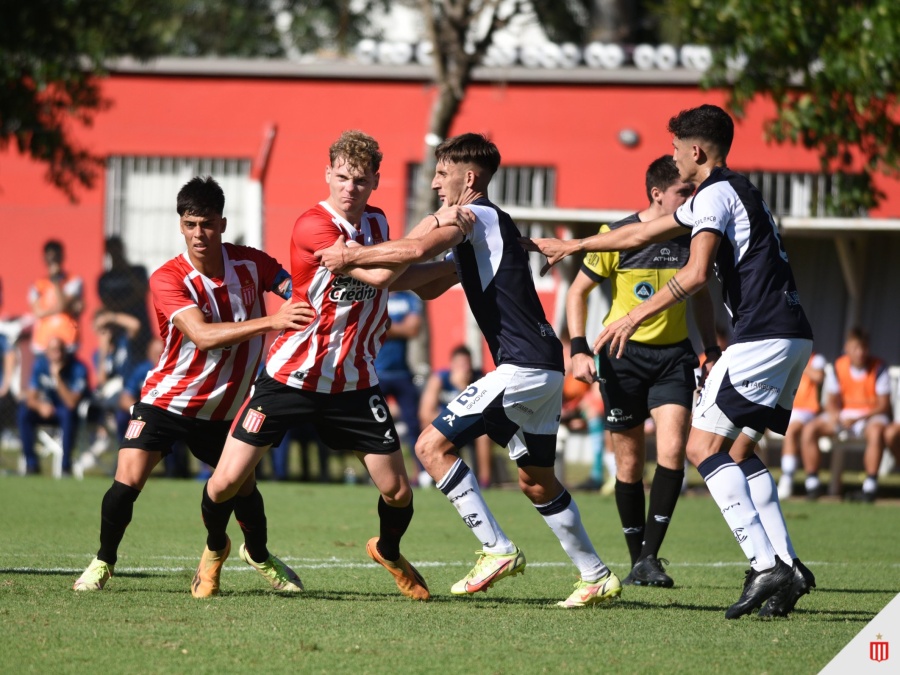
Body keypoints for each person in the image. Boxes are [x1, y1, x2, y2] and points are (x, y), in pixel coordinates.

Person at [525, 104, 816, 619]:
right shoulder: (736, 189)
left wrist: (634, 316)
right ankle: (788, 566)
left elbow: (699, 273)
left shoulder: (714, 194)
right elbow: (640, 233)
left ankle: (763, 563)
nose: (675, 156)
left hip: (761, 337)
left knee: (702, 449)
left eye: (679, 147)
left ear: (696, 151)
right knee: (742, 452)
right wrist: (578, 244)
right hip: (792, 336)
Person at [316, 133, 620, 609]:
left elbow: (415, 251)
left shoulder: (471, 214)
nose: (436, 183)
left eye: (442, 174)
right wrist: (375, 269)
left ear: (469, 178)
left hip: (522, 367)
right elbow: (426, 284)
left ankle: (496, 548)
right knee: (536, 479)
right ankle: (595, 575)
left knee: (429, 445)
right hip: (542, 368)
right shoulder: (485, 225)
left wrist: (351, 255)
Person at [195, 131, 462, 601]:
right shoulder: (312, 226)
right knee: (224, 483)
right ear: (327, 175)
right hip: (291, 376)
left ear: (376, 181)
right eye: (341, 177)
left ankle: (389, 551)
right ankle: (214, 553)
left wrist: (458, 268)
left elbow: (403, 278)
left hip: (355, 383)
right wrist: (437, 224)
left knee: (398, 492)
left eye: (360, 180)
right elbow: (381, 273)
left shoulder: (379, 225)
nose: (349, 188)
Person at [73, 176, 315, 593]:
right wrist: (274, 321)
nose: (198, 234)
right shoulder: (168, 278)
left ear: (221, 223)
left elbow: (296, 289)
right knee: (126, 481)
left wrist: (315, 293)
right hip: (168, 400)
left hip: (225, 411)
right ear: (180, 225)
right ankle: (102, 561)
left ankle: (257, 555)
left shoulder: (251, 264)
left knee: (245, 490)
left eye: (206, 224)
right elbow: (202, 335)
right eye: (190, 224)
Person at [565, 155, 716, 588]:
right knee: (629, 465)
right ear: (657, 193)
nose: (692, 198)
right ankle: (638, 561)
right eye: (683, 192)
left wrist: (709, 348)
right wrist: (578, 350)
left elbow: (701, 294)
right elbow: (577, 292)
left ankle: (651, 557)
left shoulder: (693, 236)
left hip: (674, 358)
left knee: (672, 453)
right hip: (621, 358)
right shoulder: (616, 236)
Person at [800, 329, 890, 502]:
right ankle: (812, 483)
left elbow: (883, 405)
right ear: (847, 348)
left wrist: (857, 418)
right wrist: (835, 415)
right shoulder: (838, 366)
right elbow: (831, 400)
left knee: (877, 431)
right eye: (856, 348)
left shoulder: (878, 367)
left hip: (870, 416)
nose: (860, 352)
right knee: (810, 428)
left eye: (864, 348)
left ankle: (870, 487)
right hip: (845, 415)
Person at [419, 345, 493, 488]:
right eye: (460, 364)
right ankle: (430, 476)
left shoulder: (479, 379)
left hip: (472, 428)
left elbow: (487, 412)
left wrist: (463, 388)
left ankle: (485, 481)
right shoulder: (440, 378)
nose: (464, 368)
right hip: (448, 426)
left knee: (485, 436)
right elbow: (425, 412)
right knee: (425, 426)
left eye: (467, 364)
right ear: (451, 365)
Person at [17, 336, 89, 475]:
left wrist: (56, 376)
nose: (58, 354)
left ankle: (66, 466)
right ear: (46, 352)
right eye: (53, 350)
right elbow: (31, 397)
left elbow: (71, 403)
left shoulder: (77, 367)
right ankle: (31, 465)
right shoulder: (40, 365)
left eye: (60, 350)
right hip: (47, 409)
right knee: (24, 412)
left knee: (68, 414)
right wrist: (40, 406)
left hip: (66, 411)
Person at [376, 290, 426, 483]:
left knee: (414, 425)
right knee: (376, 427)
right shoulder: (376, 294)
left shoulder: (409, 298)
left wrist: (385, 327)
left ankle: (421, 473)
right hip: (376, 372)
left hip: (403, 373)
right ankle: (380, 474)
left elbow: (413, 330)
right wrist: (398, 327)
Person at [777, 353, 826, 499]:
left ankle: (787, 478)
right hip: (785, 407)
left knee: (790, 431)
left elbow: (818, 377)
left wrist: (798, 361)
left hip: (806, 410)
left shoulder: (816, 359)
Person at [29, 240, 83, 354]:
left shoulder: (73, 281)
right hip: (42, 344)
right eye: (50, 257)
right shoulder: (37, 285)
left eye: (56, 257)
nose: (53, 261)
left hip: (68, 342)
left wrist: (56, 281)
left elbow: (63, 304)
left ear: (62, 257)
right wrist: (65, 308)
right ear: (44, 259)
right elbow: (38, 313)